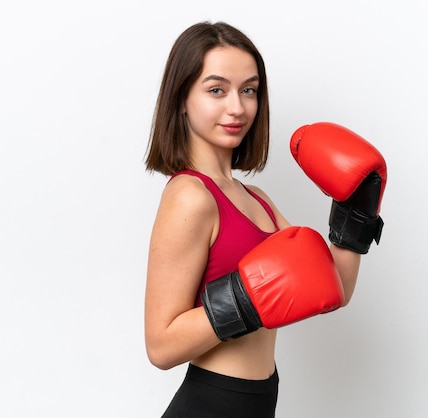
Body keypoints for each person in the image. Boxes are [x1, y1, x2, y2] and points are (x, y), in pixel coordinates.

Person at [144, 21, 386, 418]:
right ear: (182, 98)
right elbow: (160, 345)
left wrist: (355, 210)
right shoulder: (189, 196)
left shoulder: (257, 198)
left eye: (249, 90)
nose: (237, 107)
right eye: (216, 89)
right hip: (210, 403)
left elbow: (335, 287)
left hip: (257, 402)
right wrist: (246, 298)